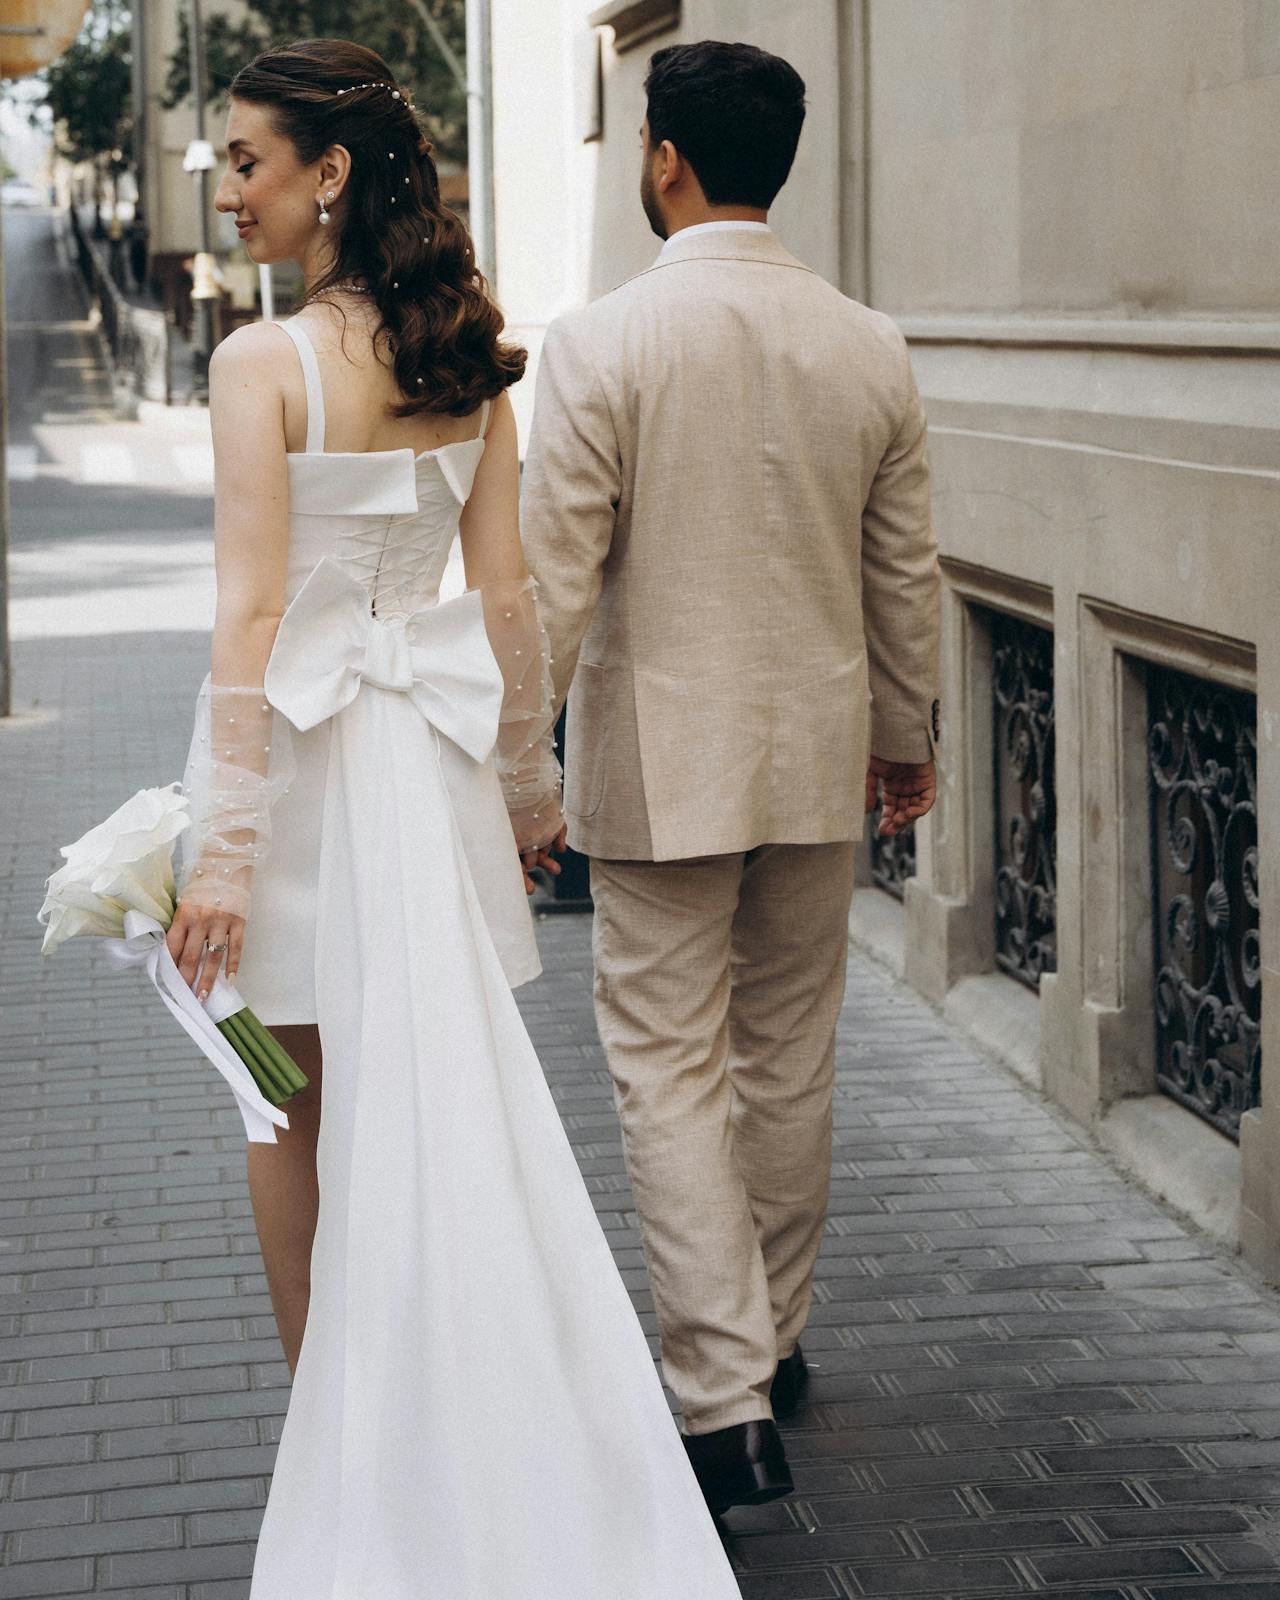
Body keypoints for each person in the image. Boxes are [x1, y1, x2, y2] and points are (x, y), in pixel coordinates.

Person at [163, 37, 743, 1599]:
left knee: (278, 1091)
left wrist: (216, 854)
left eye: (247, 162)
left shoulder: (257, 366)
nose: (227, 191)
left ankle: (337, 1452)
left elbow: (253, 617)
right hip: (417, 780)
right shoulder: (463, 350)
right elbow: (507, 602)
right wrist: (526, 798)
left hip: (295, 788)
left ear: (329, 175)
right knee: (446, 1094)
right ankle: (483, 1436)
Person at [521, 39, 942, 1517]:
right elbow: (908, 578)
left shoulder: (601, 343)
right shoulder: (868, 342)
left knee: (668, 1067)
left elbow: (551, 588)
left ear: (664, 158)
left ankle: (719, 1400)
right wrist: (910, 741)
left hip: (656, 771)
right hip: (820, 760)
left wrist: (524, 773)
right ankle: (777, 1335)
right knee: (787, 1058)